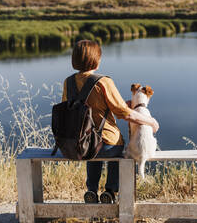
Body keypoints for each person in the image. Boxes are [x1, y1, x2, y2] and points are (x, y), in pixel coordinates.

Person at [62, 40, 159, 204]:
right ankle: (110, 191)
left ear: (75, 60)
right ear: (96, 60)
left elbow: (70, 107)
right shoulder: (103, 82)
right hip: (107, 145)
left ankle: (91, 189)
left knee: (91, 147)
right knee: (115, 147)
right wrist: (150, 121)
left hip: (79, 145)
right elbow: (125, 114)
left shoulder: (68, 82)